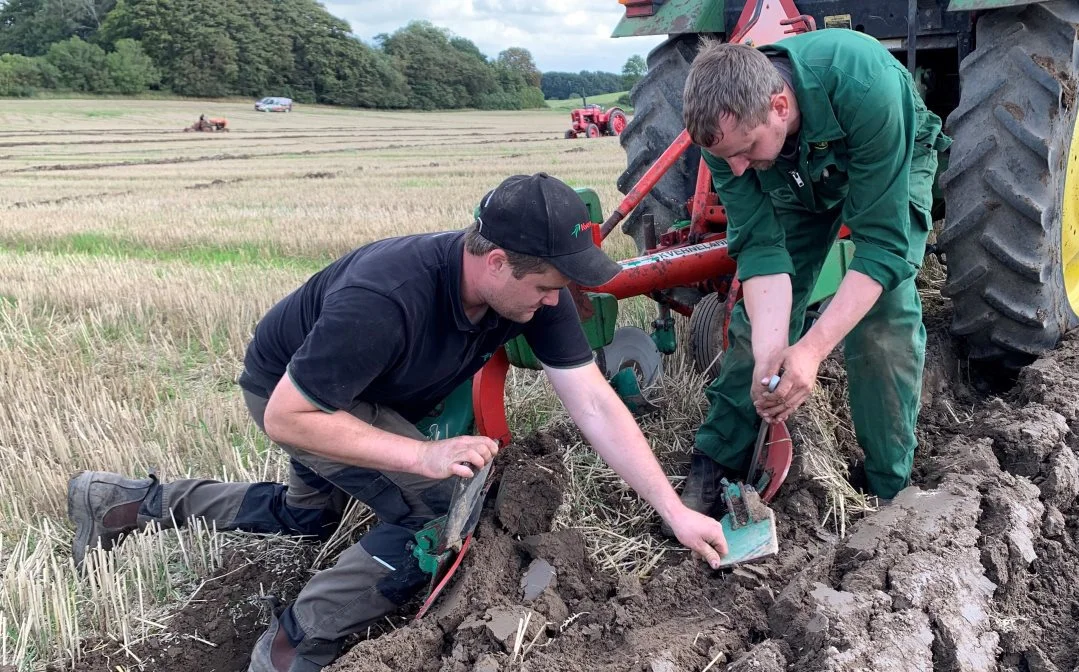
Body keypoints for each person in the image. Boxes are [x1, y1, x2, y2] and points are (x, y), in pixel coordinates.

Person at [67, 173, 729, 672]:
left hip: (369, 397)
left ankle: (122, 503)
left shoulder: (532, 288)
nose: (556, 302)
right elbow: (289, 416)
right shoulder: (388, 297)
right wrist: (421, 459)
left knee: (311, 515)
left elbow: (593, 402)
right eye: (547, 287)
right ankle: (294, 643)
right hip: (299, 395)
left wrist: (672, 509)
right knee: (444, 507)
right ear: (496, 262)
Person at [675, 31, 951, 516]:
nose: (736, 170)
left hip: (885, 155)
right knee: (753, 331)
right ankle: (717, 461)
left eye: (745, 150)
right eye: (725, 159)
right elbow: (762, 250)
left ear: (779, 106)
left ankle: (889, 486)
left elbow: (882, 247)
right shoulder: (727, 142)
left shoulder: (866, 86)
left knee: (884, 316)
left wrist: (812, 351)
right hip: (794, 172)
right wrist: (771, 355)